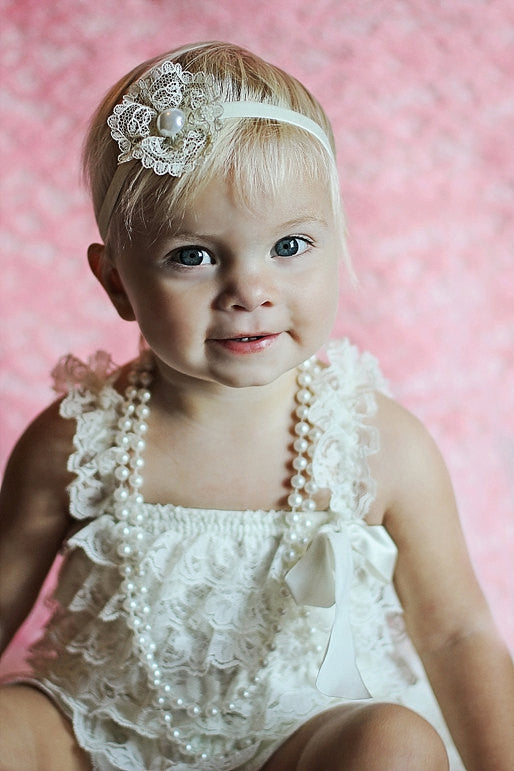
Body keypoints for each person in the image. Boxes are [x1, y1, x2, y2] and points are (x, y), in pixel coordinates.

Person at [0, 40, 512, 771]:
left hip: (295, 746)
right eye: (194, 255)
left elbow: (457, 632)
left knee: (393, 743)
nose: (249, 289)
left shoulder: (376, 443)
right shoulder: (78, 438)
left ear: (339, 246)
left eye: (290, 244)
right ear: (116, 280)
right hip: (103, 736)